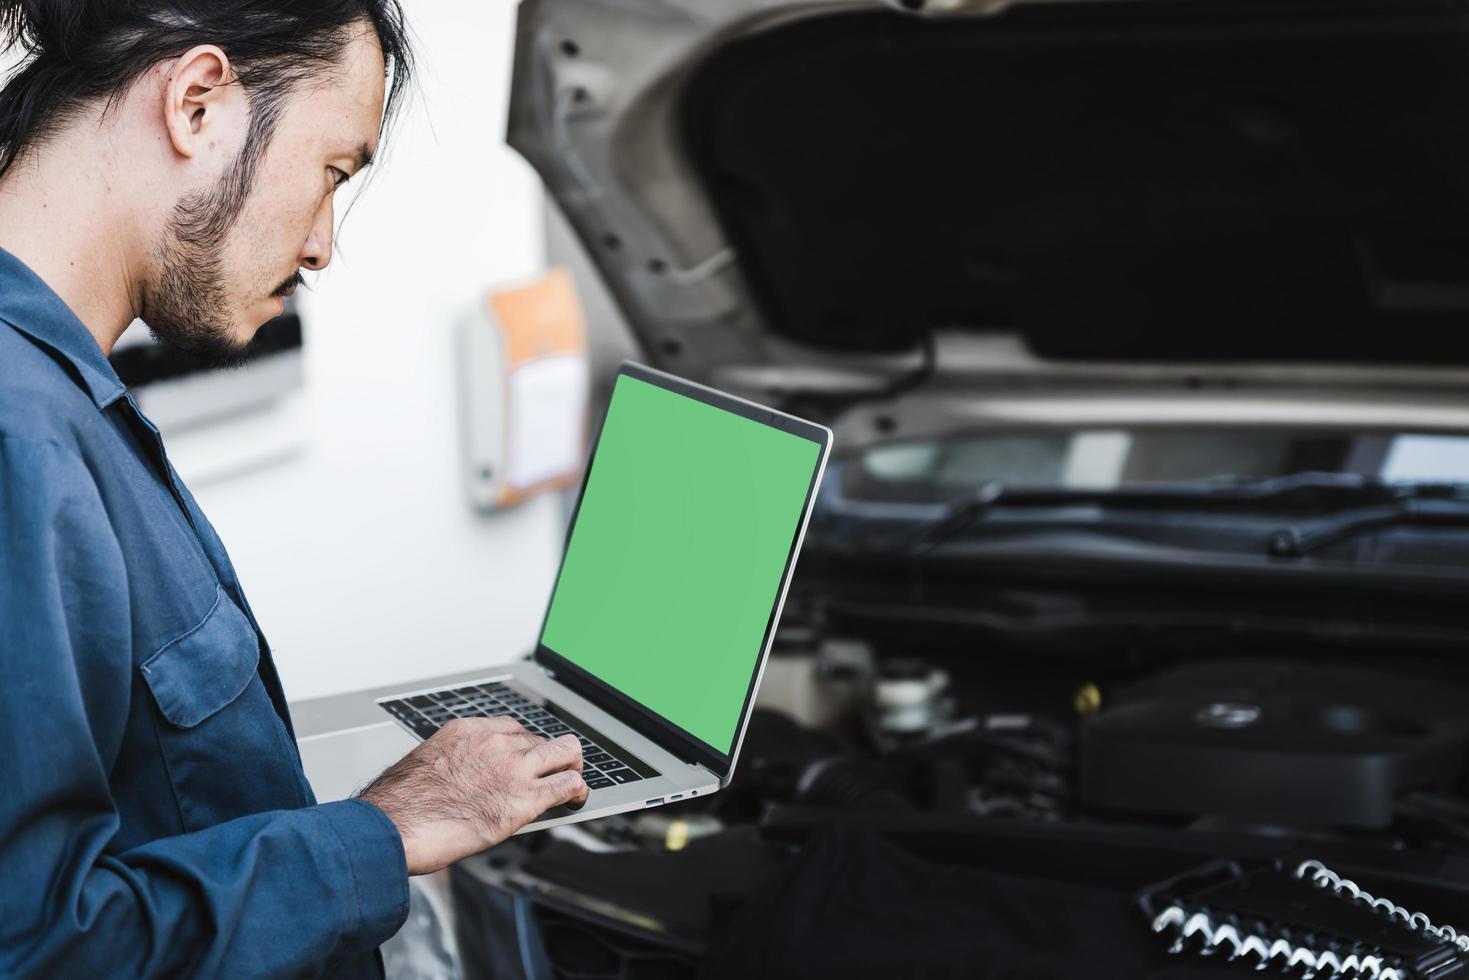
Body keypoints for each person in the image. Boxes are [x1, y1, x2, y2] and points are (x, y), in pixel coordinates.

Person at [0, 0, 590, 976]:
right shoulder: (19, 434)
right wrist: (383, 833)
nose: (320, 245)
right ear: (197, 103)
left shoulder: (63, 395)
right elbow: (36, 950)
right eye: (330, 172)